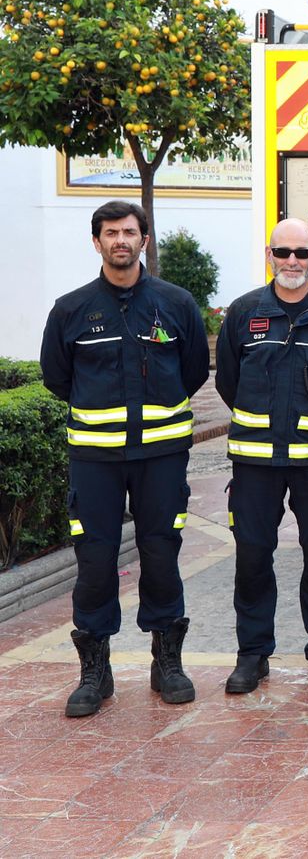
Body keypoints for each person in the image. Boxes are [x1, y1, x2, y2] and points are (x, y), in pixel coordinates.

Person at [40, 201, 209, 717]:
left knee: (161, 553)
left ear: (144, 241)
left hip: (161, 456)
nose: (120, 241)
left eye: (129, 232)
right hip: (95, 460)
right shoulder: (71, 310)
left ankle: (166, 661)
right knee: (94, 560)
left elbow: (195, 370)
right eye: (111, 233)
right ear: (97, 242)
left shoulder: (176, 305)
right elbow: (57, 377)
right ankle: (96, 672)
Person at [216, 218, 308, 693]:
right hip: (255, 464)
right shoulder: (243, 313)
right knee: (252, 558)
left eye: (302, 252)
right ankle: (252, 655)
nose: (293, 262)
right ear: (270, 255)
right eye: (283, 253)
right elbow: (228, 382)